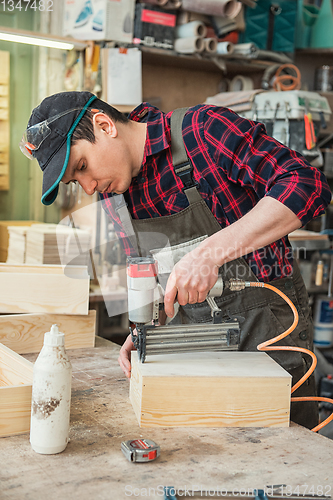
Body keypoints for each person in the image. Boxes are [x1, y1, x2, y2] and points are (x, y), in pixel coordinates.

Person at [21, 90, 332, 429]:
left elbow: (305, 184)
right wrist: (146, 326)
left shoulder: (202, 131)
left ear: (104, 124)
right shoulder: (115, 195)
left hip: (268, 339)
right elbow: (151, 274)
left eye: (82, 166)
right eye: (76, 181)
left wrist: (210, 253)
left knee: (283, 462)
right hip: (196, 356)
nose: (89, 186)